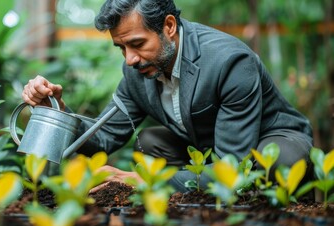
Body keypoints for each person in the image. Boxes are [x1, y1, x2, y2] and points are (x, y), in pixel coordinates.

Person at [21, 0, 313, 193]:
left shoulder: (229, 62)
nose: (130, 59)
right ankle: (190, 202)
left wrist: (149, 181)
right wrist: (56, 110)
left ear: (169, 27)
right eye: (121, 48)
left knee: (281, 161)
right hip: (209, 146)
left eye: (136, 44)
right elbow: (104, 136)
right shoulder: (136, 71)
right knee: (150, 143)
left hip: (270, 139)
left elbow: (232, 163)